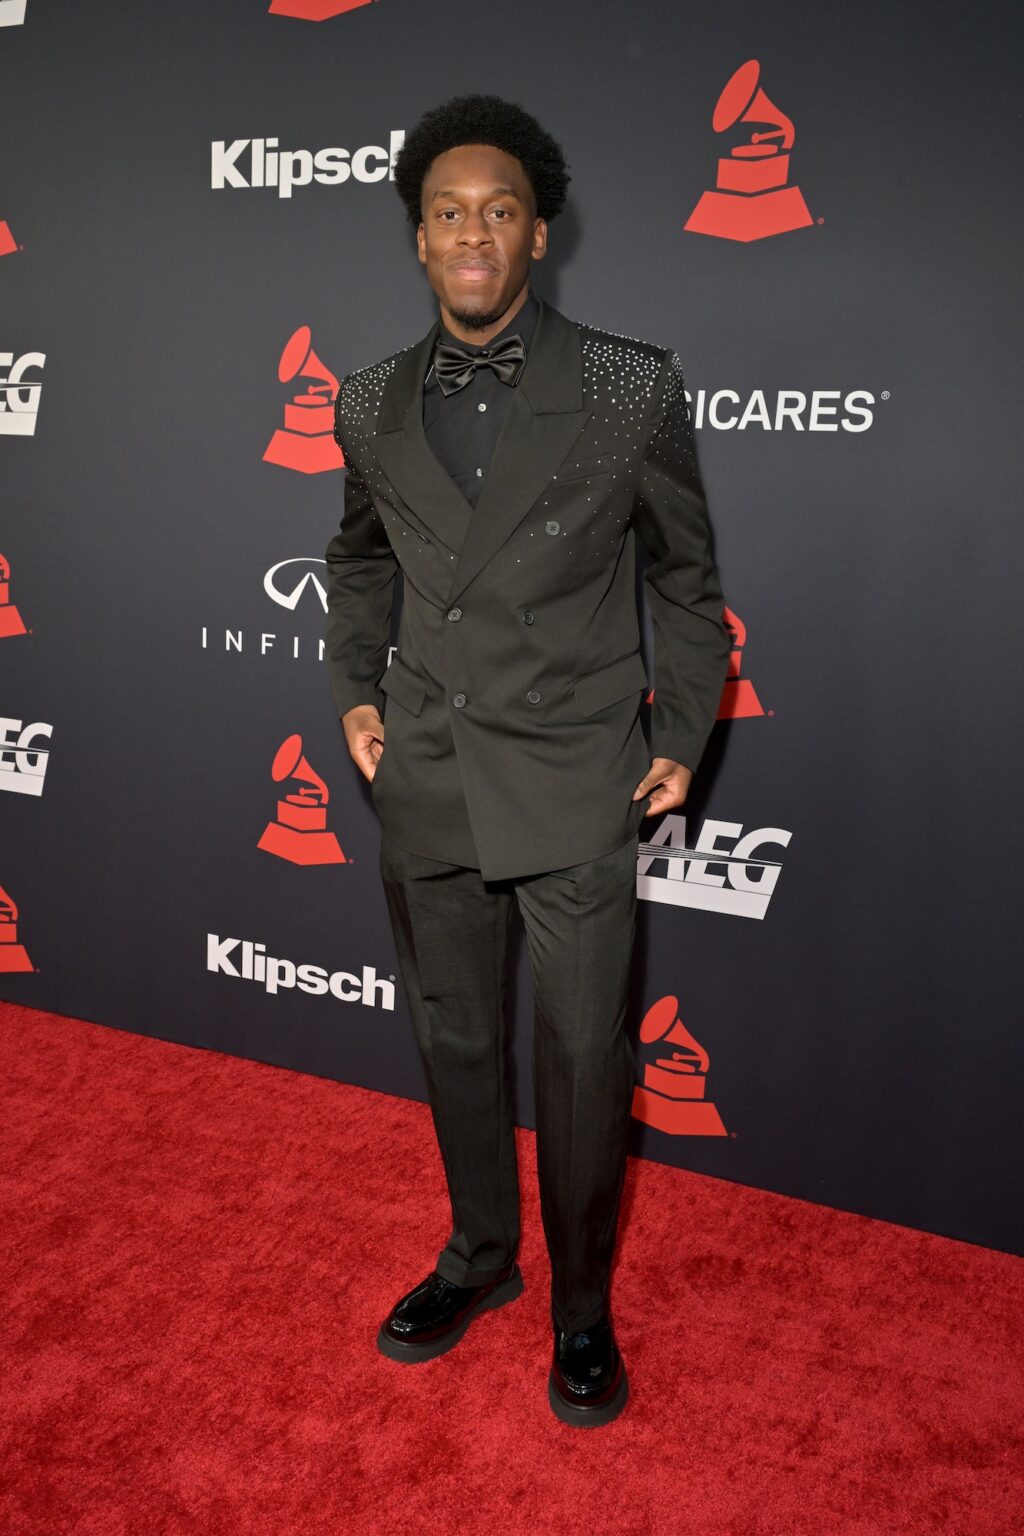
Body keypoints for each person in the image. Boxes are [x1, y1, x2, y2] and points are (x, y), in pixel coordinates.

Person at [325, 94, 729, 1428]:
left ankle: (581, 1308)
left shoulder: (627, 384)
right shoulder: (368, 398)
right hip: (429, 773)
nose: (473, 233)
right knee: (454, 1037)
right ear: (418, 237)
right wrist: (356, 690)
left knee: (581, 1061)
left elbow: (684, 581)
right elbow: (358, 559)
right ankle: (479, 1256)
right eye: (448, 213)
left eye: (499, 210)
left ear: (538, 232)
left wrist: (681, 733)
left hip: (574, 777)